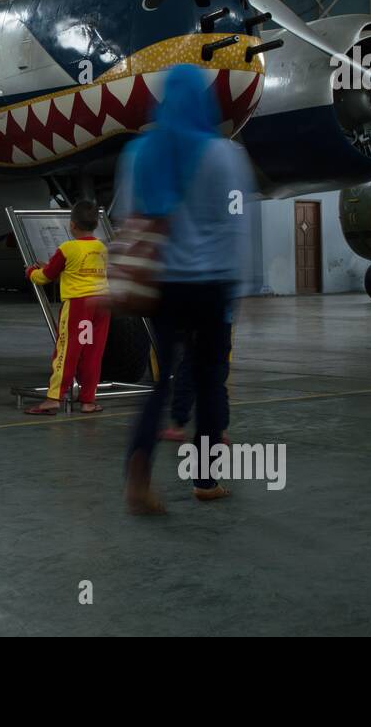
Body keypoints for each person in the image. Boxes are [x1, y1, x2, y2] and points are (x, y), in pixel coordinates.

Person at [121, 64, 254, 512]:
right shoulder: (225, 155)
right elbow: (238, 228)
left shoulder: (140, 153)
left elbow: (129, 218)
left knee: (162, 382)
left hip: (163, 285)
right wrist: (238, 288)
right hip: (212, 285)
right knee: (211, 381)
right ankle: (205, 479)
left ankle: (138, 471)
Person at [22, 200, 110, 415]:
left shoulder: (67, 248)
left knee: (68, 351)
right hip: (101, 304)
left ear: (71, 225)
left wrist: (30, 271)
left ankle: (54, 398)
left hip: (79, 305)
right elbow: (83, 269)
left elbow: (45, 276)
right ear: (96, 224)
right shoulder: (101, 247)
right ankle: (88, 400)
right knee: (92, 352)